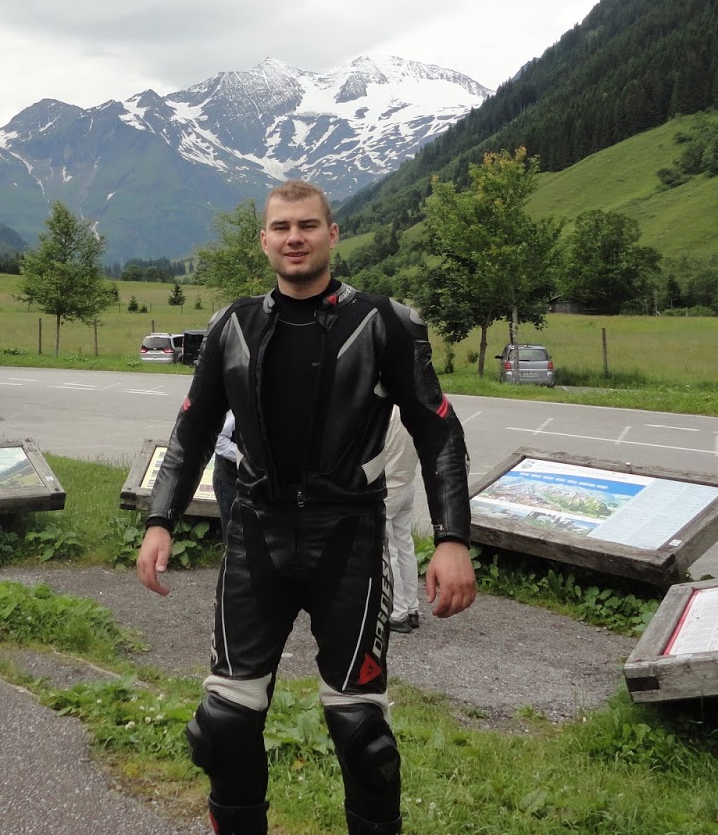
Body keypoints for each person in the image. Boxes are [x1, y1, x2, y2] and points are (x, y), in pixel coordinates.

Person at [136, 180, 475, 835]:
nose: (295, 238)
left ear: (332, 234)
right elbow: (192, 432)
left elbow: (439, 432)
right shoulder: (233, 326)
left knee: (362, 735)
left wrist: (452, 538)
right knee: (224, 723)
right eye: (283, 227)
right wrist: (160, 521)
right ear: (264, 240)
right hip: (256, 535)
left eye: (308, 225)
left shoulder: (382, 323)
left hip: (347, 538)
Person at [382, 410, 421, 633]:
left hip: (386, 488)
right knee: (405, 546)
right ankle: (412, 606)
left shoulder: (385, 411)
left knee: (390, 553)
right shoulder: (411, 409)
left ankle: (398, 612)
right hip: (406, 483)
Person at [212, 412, 241, 519]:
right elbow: (218, 439)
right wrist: (247, 458)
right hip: (232, 481)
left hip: (262, 480)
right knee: (235, 526)